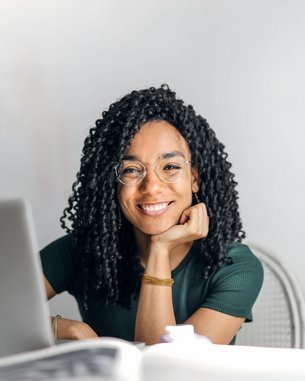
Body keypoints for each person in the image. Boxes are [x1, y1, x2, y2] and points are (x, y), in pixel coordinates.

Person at [41, 84, 264, 345]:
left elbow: (165, 368)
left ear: (195, 178)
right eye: (131, 170)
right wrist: (65, 329)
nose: (152, 187)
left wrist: (160, 248)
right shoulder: (82, 250)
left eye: (170, 166)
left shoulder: (235, 268)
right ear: (112, 182)